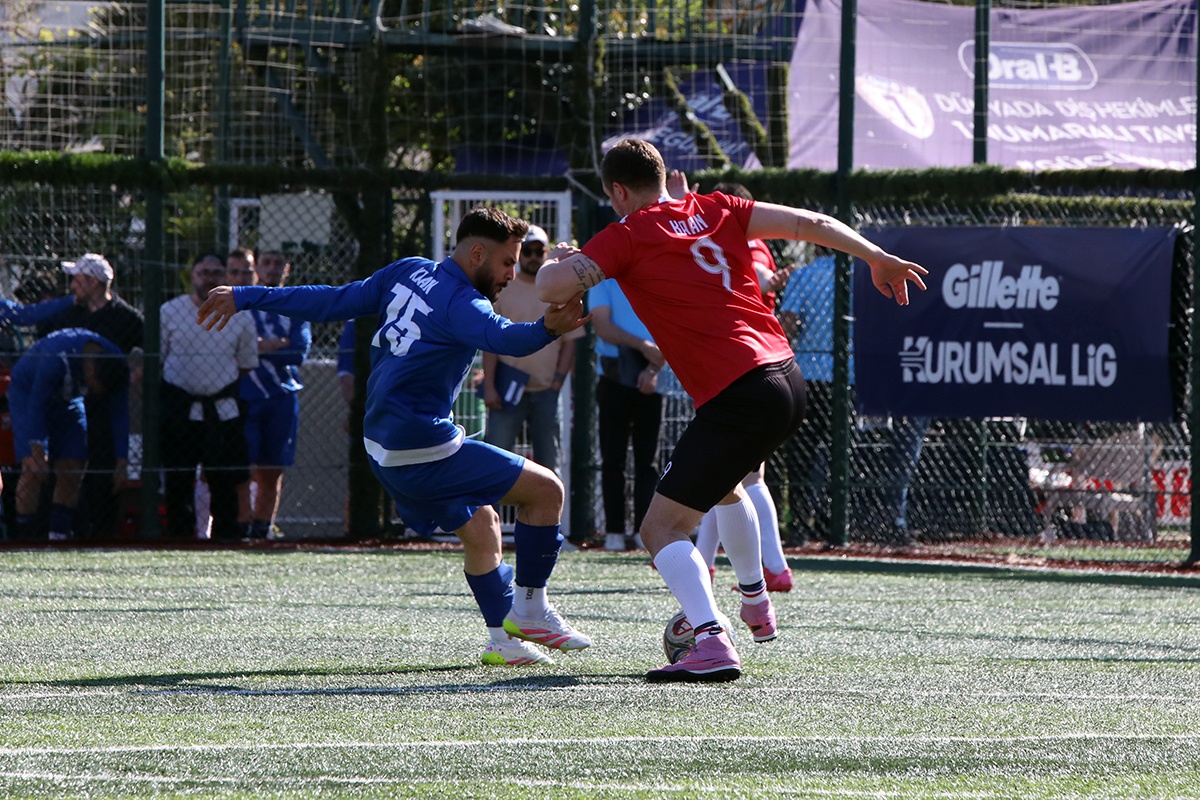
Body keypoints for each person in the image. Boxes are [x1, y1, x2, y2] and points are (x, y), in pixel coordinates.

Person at [536, 137, 927, 682]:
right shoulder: (718, 206)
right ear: (666, 176)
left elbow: (549, 287)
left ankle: (712, 641)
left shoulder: (626, 234)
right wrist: (875, 256)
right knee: (727, 488)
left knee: (660, 529)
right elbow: (811, 222)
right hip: (785, 378)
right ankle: (756, 603)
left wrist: (559, 260)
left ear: (618, 191)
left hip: (739, 392)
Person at [197, 207, 594, 667]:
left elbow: (332, 300)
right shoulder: (463, 301)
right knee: (547, 491)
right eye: (507, 262)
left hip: (382, 446)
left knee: (483, 525)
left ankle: (501, 640)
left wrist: (246, 295)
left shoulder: (408, 270)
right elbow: (502, 338)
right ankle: (530, 609)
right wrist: (548, 328)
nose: (510, 273)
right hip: (422, 447)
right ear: (477, 254)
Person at [683, 177, 795, 591]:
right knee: (726, 477)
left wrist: (767, 280)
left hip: (746, 368)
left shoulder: (748, 243)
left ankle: (775, 568)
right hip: (745, 366)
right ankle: (707, 560)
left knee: (748, 478)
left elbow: (761, 272)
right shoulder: (730, 241)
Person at [37, 253, 144, 541]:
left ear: (94, 282)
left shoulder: (125, 317)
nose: (73, 285)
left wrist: (134, 373)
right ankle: (61, 530)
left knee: (102, 473)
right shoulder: (68, 315)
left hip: (107, 408)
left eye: (78, 280)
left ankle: (102, 533)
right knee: (65, 469)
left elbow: (153, 349)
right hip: (68, 404)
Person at [160, 254, 259, 541]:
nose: (209, 279)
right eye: (204, 273)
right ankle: (180, 538)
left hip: (223, 410)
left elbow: (245, 364)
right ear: (192, 275)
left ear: (225, 277)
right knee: (179, 479)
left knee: (223, 480)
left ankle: (225, 539)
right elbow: (158, 358)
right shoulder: (170, 311)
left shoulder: (240, 315)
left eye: (216, 273)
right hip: (179, 410)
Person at [7, 328, 130, 542]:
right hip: (28, 395)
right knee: (32, 469)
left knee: (73, 466)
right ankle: (25, 539)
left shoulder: (115, 362)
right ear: (90, 369)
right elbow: (37, 405)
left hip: (68, 400)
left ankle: (58, 536)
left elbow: (120, 412)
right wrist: (37, 451)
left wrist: (122, 460)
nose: (97, 393)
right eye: (97, 386)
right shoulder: (56, 358)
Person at [481, 224, 583, 474]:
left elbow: (570, 339)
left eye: (539, 251)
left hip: (546, 392)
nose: (533, 257)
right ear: (519, 253)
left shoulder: (559, 288)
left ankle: (549, 504)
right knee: (493, 461)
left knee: (550, 466)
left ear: (547, 253)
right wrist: (490, 386)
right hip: (505, 391)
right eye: (527, 251)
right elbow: (490, 343)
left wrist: (558, 381)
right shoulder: (503, 287)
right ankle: (490, 503)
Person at [237, 250, 311, 540]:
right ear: (256, 268)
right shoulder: (243, 302)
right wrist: (276, 344)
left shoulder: (296, 305)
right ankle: (241, 524)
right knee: (243, 467)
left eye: (278, 263)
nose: (272, 268)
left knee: (273, 468)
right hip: (246, 393)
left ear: (287, 269)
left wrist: (259, 347)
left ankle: (263, 526)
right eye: (266, 263)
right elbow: (238, 348)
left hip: (282, 394)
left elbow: (298, 352)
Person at [588, 277, 664, 552]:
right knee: (613, 459)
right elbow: (603, 327)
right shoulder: (603, 281)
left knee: (648, 462)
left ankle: (644, 532)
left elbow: (669, 329)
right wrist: (643, 346)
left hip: (653, 382)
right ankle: (615, 532)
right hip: (613, 381)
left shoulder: (656, 277)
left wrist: (653, 369)